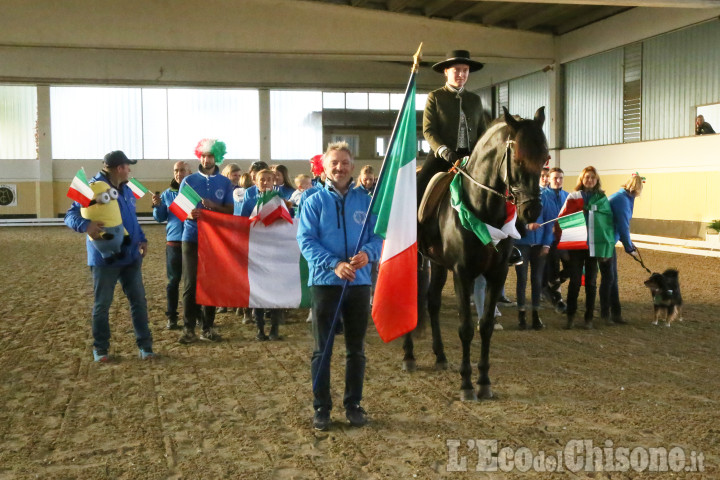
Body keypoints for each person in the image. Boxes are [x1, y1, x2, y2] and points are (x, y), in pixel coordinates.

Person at [297, 141, 382, 431]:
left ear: (353, 167)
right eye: (334, 162)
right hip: (325, 283)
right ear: (324, 166)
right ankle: (321, 407)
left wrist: (369, 252)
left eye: (345, 162)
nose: (340, 167)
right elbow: (306, 241)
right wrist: (333, 264)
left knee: (356, 350)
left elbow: (378, 236)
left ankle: (353, 404)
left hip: (359, 285)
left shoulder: (368, 201)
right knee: (323, 350)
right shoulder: (313, 202)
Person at [64, 150, 154, 361]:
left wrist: (142, 238)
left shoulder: (127, 189)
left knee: (139, 301)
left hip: (131, 255)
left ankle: (146, 347)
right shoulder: (91, 189)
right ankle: (101, 349)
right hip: (104, 258)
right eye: (127, 166)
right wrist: (85, 225)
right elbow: (70, 215)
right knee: (102, 304)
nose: (129, 170)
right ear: (118, 168)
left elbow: (132, 217)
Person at [177, 139, 235, 344]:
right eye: (203, 156)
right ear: (199, 157)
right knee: (190, 284)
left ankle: (208, 327)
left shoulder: (225, 183)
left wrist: (213, 206)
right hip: (191, 237)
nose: (206, 159)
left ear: (216, 158)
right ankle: (188, 328)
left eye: (210, 156)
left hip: (215, 240)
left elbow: (230, 210)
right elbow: (179, 209)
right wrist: (189, 215)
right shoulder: (189, 181)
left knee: (211, 283)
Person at [418, 49, 485, 203]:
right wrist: (444, 151)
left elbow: (482, 132)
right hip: (442, 157)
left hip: (471, 158)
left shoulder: (475, 100)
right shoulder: (435, 97)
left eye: (465, 70)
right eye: (457, 70)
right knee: (419, 187)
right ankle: (416, 225)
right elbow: (429, 130)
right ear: (446, 72)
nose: (461, 74)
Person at [558, 166, 615, 330]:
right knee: (575, 282)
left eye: (592, 177)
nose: (589, 180)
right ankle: (570, 316)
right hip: (576, 246)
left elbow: (607, 224)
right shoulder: (573, 196)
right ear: (581, 180)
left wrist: (606, 249)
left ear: (596, 180)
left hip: (594, 247)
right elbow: (563, 219)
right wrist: (564, 248)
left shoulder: (602, 199)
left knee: (591, 283)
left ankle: (588, 317)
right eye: (586, 177)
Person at [242, 169, 285, 341]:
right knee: (257, 289)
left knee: (276, 289)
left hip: (275, 251)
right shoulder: (248, 202)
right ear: (255, 181)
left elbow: (288, 223)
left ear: (273, 181)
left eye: (268, 179)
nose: (265, 182)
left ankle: (274, 328)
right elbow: (240, 223)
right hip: (256, 250)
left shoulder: (280, 201)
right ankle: (260, 328)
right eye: (262, 180)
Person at [599, 173, 644, 325]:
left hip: (609, 241)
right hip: (605, 242)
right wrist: (629, 247)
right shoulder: (623, 201)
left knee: (612, 278)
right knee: (609, 278)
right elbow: (623, 225)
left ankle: (615, 313)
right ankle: (606, 314)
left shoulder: (623, 197)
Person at [151, 161, 191, 330]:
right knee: (173, 280)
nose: (179, 173)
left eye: (182, 170)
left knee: (193, 282)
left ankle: (193, 316)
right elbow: (160, 218)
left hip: (194, 241)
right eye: (176, 170)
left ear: (189, 172)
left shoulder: (195, 193)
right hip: (174, 241)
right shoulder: (168, 194)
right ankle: (172, 316)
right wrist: (158, 206)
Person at [542, 167, 569, 313]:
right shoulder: (543, 196)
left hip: (565, 239)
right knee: (554, 267)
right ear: (549, 179)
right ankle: (558, 299)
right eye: (555, 178)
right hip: (550, 239)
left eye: (560, 178)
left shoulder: (568, 196)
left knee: (571, 267)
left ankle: (549, 284)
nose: (558, 181)